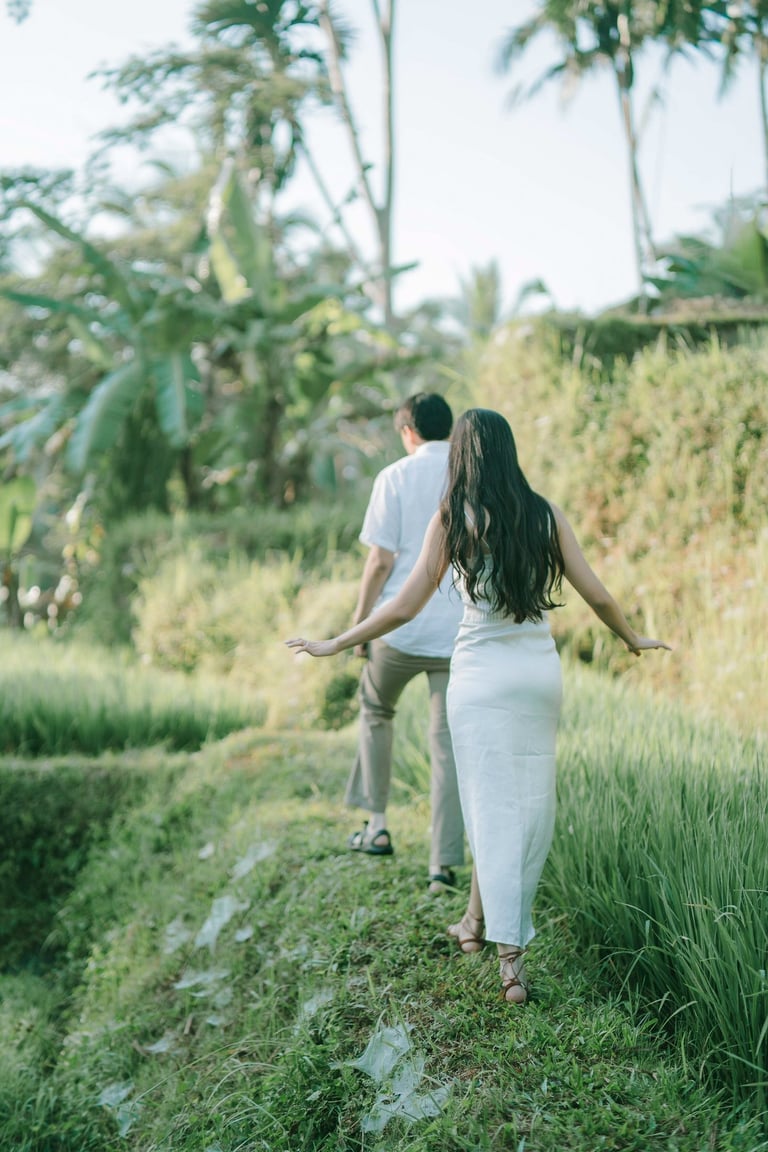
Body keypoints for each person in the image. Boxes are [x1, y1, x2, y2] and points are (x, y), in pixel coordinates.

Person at [287, 408, 671, 1005]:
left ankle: (511, 962)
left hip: (480, 675)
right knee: (527, 802)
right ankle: (474, 923)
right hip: (537, 673)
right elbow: (595, 591)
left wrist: (341, 639)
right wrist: (632, 637)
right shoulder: (542, 513)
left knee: (489, 805)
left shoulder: (452, 517)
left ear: (462, 454)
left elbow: (406, 604)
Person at [344, 392, 465, 895]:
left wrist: (359, 623)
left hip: (398, 628)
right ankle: (442, 864)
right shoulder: (468, 477)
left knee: (376, 712)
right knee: (446, 745)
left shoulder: (393, 476)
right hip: (456, 632)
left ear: (407, 431)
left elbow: (379, 563)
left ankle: (376, 826)